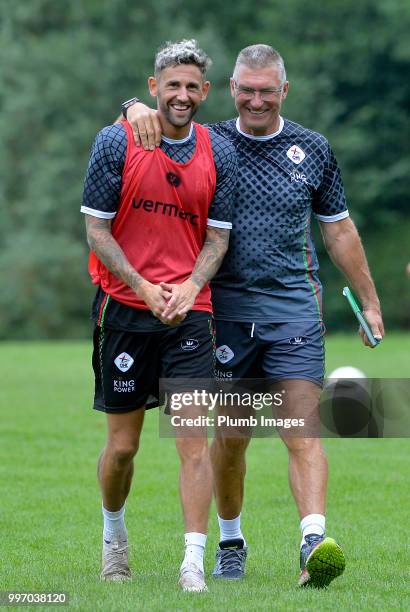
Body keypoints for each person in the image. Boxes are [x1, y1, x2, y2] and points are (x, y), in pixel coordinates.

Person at [123, 43, 384, 588]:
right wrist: (132, 107)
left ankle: (313, 543)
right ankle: (232, 539)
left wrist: (371, 300)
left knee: (301, 431)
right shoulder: (206, 140)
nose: (256, 100)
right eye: (247, 89)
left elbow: (338, 229)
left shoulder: (313, 149)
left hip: (293, 311)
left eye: (268, 91)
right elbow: (149, 128)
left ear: (284, 91)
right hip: (224, 315)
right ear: (232, 90)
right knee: (234, 438)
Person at [81, 39, 237, 592]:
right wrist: (144, 286)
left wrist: (191, 285)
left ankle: (192, 562)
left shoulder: (220, 150)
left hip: (191, 313)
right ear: (153, 87)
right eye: (172, 85)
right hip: (124, 309)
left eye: (193, 86)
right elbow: (96, 229)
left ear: (205, 92)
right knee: (123, 448)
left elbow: (218, 237)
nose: (182, 95)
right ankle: (114, 537)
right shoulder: (114, 140)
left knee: (193, 440)